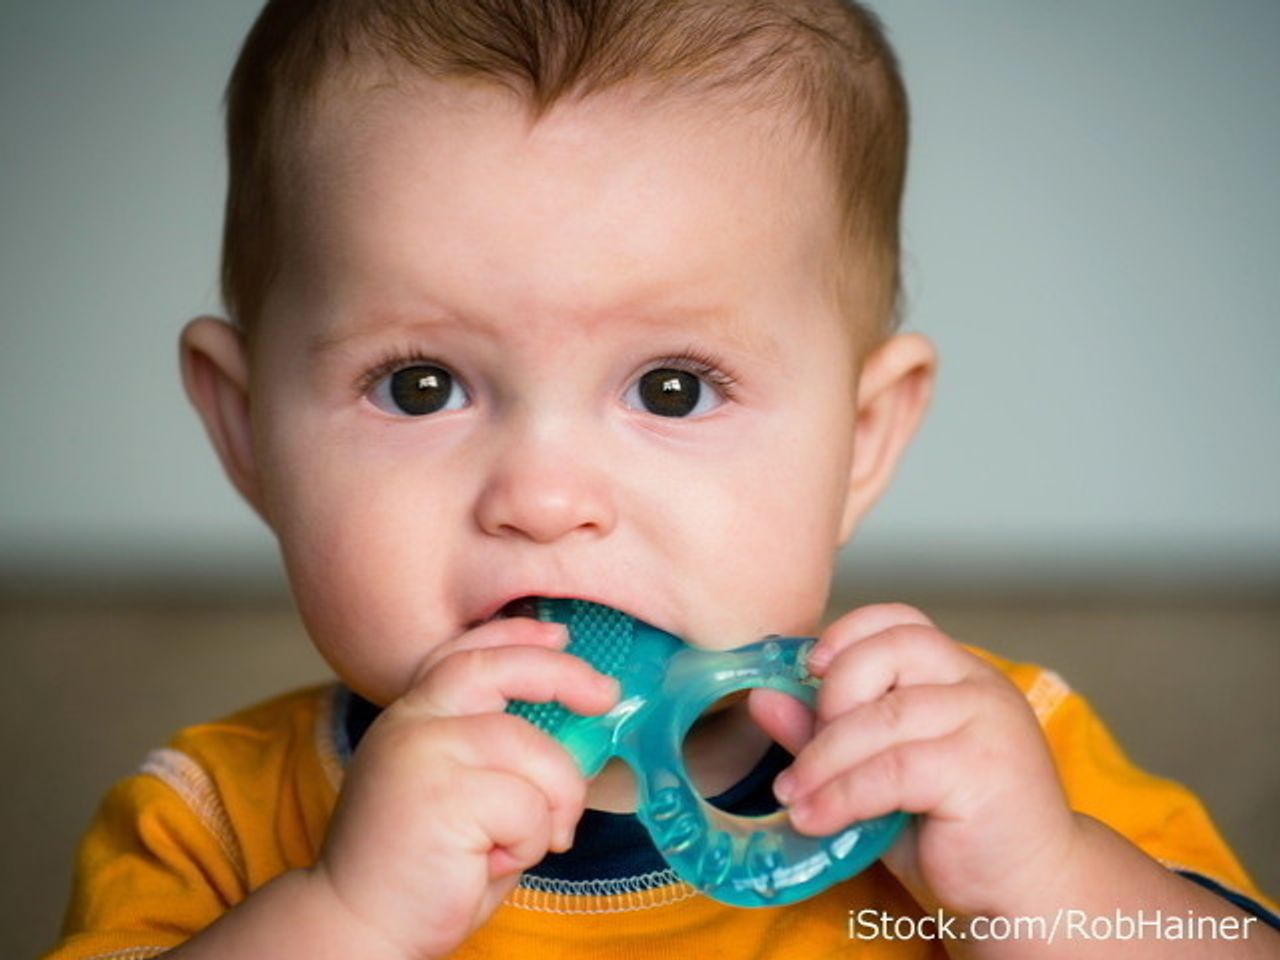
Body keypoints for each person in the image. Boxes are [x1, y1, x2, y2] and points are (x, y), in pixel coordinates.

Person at [45, 1, 1277, 957]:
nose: (542, 497)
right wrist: (343, 920)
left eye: (671, 388)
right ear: (246, 429)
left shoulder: (978, 765)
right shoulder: (212, 822)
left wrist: (1044, 881)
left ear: (861, 440)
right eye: (419, 386)